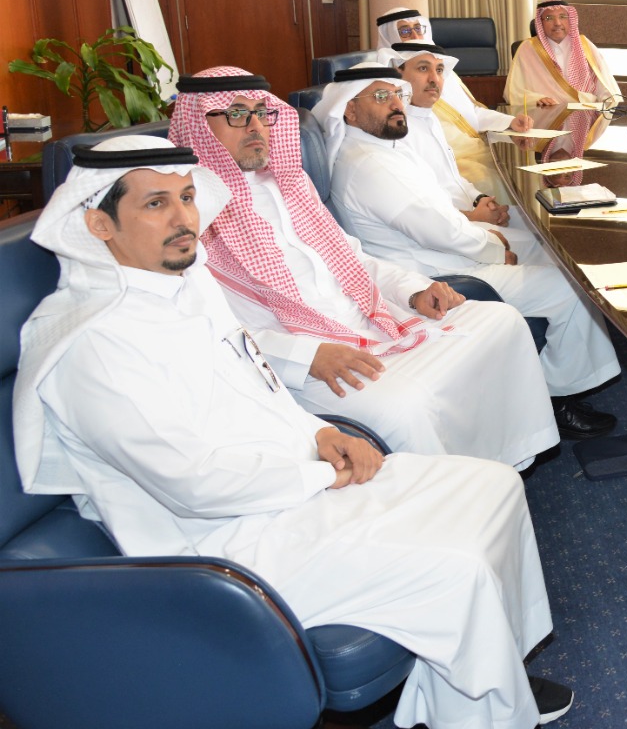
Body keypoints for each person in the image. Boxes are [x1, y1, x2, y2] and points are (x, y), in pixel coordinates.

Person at [14, 135, 575, 729]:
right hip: (221, 546)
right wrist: (321, 472)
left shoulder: (187, 288)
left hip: (287, 484)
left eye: (187, 197)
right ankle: (487, 723)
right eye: (156, 204)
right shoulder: (92, 344)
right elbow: (193, 486)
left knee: (492, 487)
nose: (183, 218)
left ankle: (481, 695)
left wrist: (320, 430)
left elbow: (259, 386)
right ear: (99, 224)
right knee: (454, 567)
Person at [168, 68, 560, 465]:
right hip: (303, 358)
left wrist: (414, 291)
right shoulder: (186, 217)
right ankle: (453, 485)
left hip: (369, 321)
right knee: (403, 407)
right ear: (198, 125)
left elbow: (353, 259)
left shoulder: (288, 183)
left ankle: (504, 462)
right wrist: (306, 356)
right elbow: (210, 331)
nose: (255, 126)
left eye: (261, 112)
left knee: (501, 321)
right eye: (236, 114)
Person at [313, 66, 621, 439]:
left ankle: (556, 369)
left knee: (549, 247)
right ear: (348, 110)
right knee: (570, 288)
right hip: (437, 274)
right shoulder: (370, 164)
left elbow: (438, 213)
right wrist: (494, 248)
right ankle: (558, 399)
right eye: (381, 97)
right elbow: (438, 230)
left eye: (397, 94)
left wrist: (484, 226)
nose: (396, 104)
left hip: (442, 252)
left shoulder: (381, 148)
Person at [375, 7, 537, 197]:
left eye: (418, 28)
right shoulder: (391, 89)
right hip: (450, 163)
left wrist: (509, 122)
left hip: (476, 149)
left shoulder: (444, 71)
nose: (415, 35)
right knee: (495, 181)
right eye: (404, 31)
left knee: (522, 173)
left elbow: (471, 113)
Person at [506, 0, 621, 110]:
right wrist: (536, 99)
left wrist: (605, 109)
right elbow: (512, 92)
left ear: (570, 19)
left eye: (562, 16)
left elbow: (607, 89)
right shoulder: (527, 49)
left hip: (586, 112)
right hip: (546, 115)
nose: (557, 23)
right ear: (541, 23)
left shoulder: (585, 46)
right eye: (549, 18)